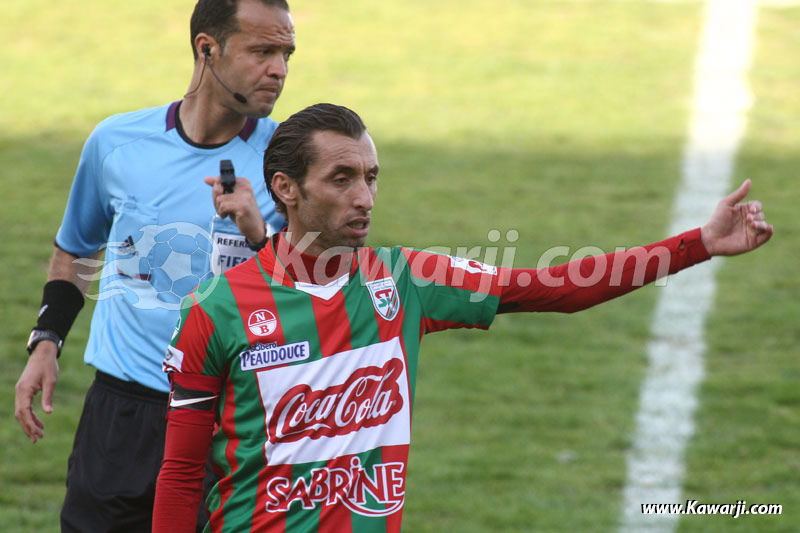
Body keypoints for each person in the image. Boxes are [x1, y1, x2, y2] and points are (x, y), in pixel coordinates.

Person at [152, 103, 773, 532]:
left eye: (371, 177)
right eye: (341, 178)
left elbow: (553, 286)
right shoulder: (219, 310)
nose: (364, 197)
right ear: (286, 188)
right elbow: (181, 471)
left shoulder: (404, 282)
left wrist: (699, 243)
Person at [14, 1, 295, 531]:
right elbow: (75, 248)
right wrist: (46, 340)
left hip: (228, 423)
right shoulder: (118, 144)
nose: (278, 69)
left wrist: (260, 235)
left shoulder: (288, 162)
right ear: (206, 49)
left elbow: (320, 297)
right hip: (120, 418)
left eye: (286, 53)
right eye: (262, 51)